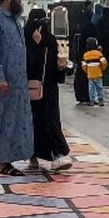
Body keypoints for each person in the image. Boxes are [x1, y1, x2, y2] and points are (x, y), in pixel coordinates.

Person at [0, 0, 34, 176]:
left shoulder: (14, 19)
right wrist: (0, 78)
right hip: (4, 81)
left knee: (16, 120)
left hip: (18, 81)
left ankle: (2, 152)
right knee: (3, 119)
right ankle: (2, 162)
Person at [25, 9, 73, 171]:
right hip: (31, 89)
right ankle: (32, 154)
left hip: (49, 88)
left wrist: (61, 67)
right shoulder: (25, 39)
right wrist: (36, 46)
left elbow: (56, 63)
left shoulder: (50, 40)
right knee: (33, 122)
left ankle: (57, 154)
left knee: (50, 121)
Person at [81, 37, 107, 106]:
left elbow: (83, 65)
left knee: (91, 88)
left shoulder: (86, 55)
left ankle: (91, 101)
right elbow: (104, 62)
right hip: (98, 74)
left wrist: (87, 71)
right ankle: (100, 100)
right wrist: (102, 68)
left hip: (90, 75)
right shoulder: (99, 54)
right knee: (100, 87)